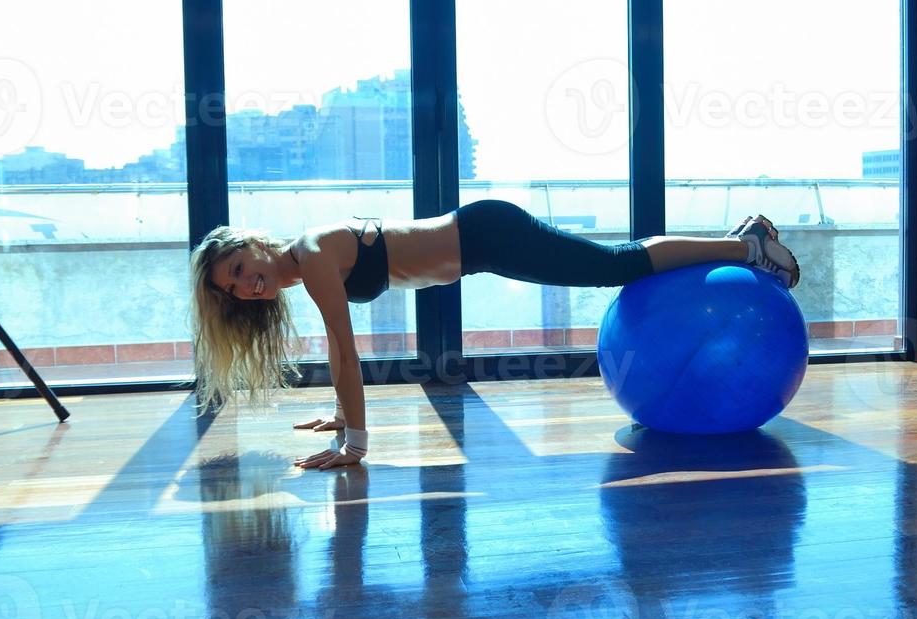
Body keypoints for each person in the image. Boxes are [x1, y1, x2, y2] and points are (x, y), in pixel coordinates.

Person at [189, 199, 801, 469]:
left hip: (487, 234)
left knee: (614, 265)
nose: (248, 285)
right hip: (479, 243)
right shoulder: (305, 262)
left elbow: (344, 350)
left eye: (241, 267)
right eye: (235, 287)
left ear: (252, 243)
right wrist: (339, 415)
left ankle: (748, 245)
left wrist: (356, 440)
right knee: (612, 263)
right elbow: (344, 355)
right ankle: (744, 242)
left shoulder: (313, 252)